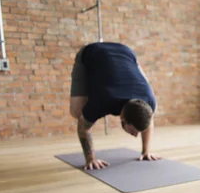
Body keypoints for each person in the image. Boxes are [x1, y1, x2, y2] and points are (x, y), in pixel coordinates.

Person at [69, 42, 161, 170]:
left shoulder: (149, 102)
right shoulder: (102, 101)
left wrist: (146, 152)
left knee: (146, 109)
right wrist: (91, 159)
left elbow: (148, 120)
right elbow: (83, 128)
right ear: (122, 116)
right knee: (78, 112)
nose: (135, 135)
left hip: (126, 53)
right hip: (92, 53)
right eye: (133, 131)